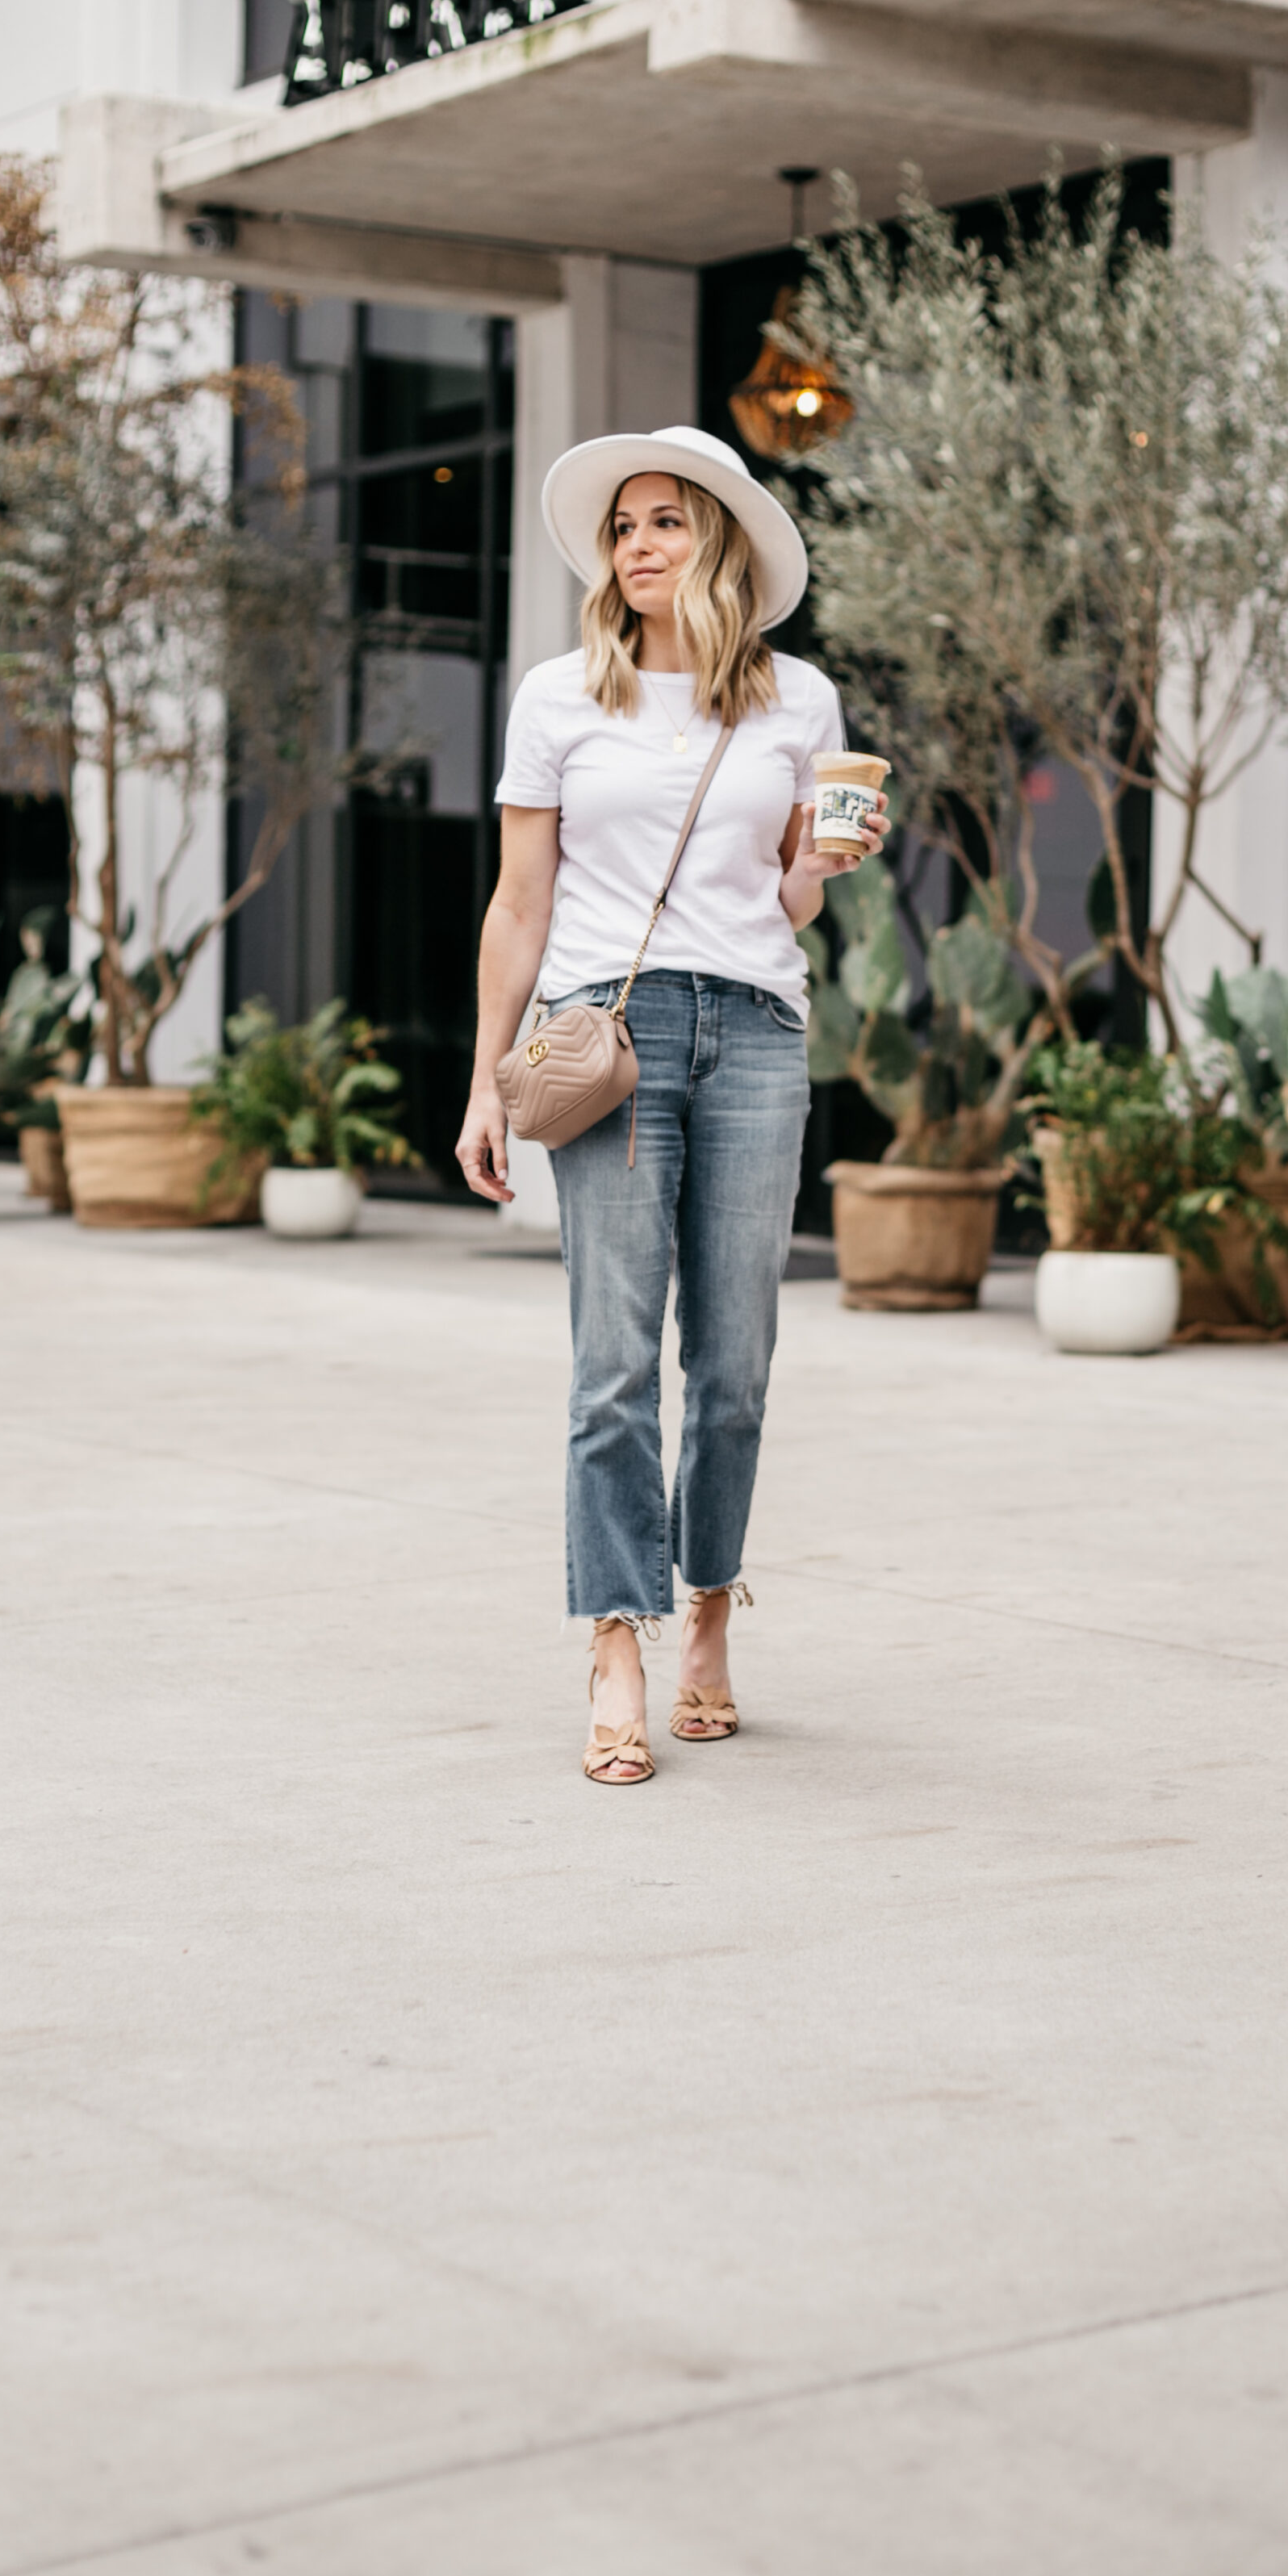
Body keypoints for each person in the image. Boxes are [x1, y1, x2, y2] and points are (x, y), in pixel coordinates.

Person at [455, 424, 889, 1785]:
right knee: (612, 1363)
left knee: (738, 1366)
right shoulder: (559, 697)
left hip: (758, 1026)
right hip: (613, 1033)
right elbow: (521, 901)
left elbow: (791, 896)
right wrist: (483, 1080)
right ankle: (616, 1644)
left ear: (722, 543)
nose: (635, 544)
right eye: (623, 526)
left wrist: (823, 862)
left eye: (664, 522)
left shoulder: (798, 702)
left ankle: (708, 1612)